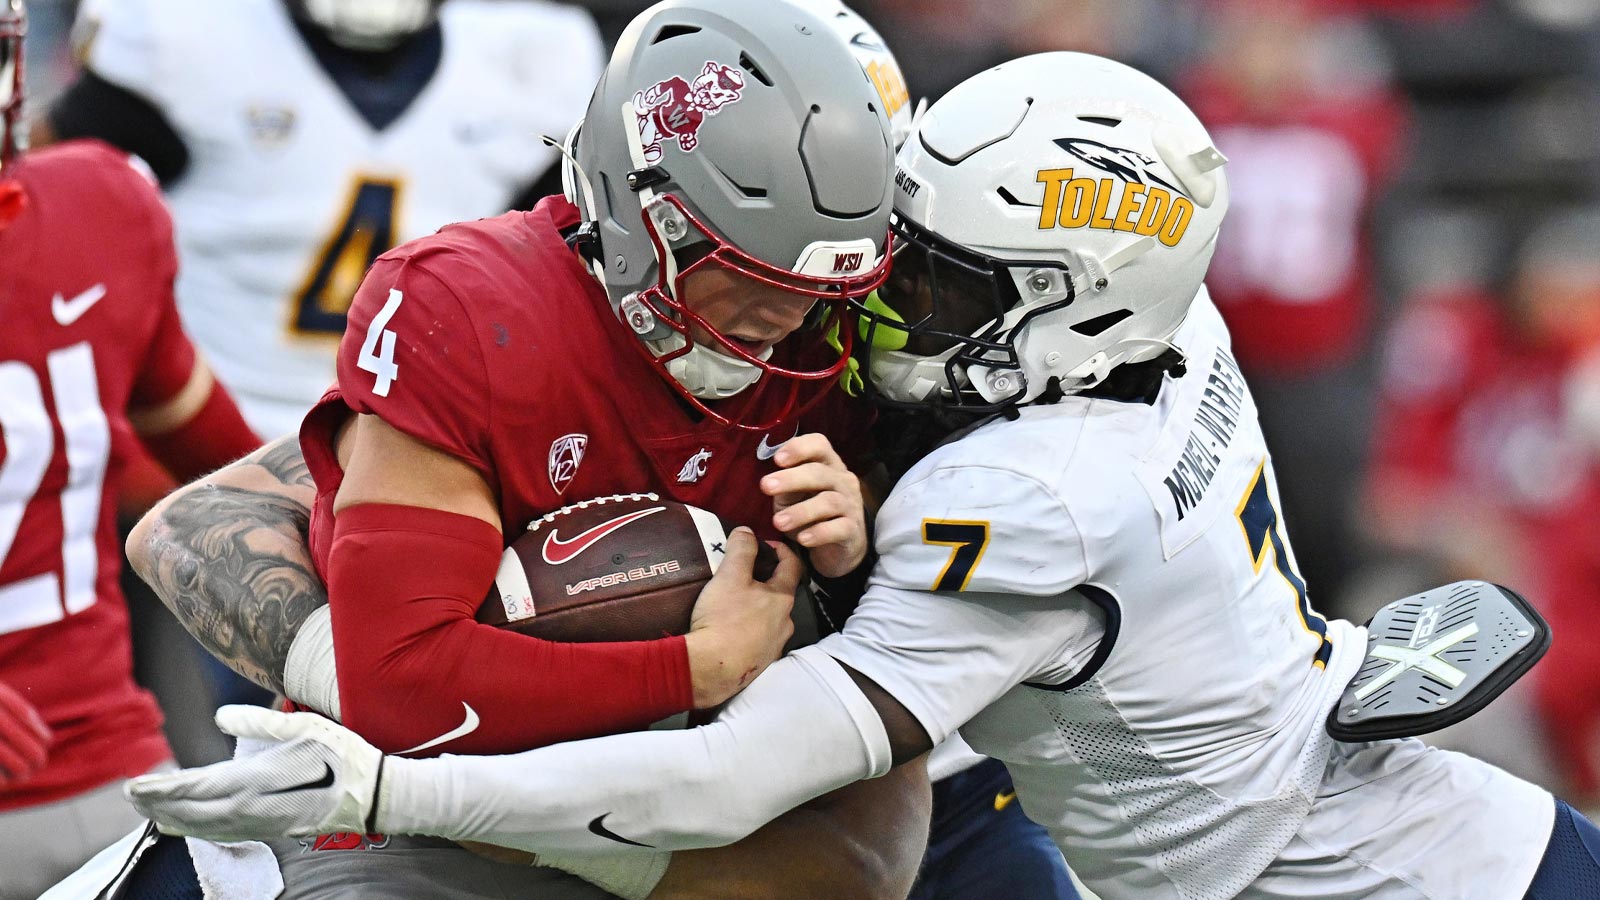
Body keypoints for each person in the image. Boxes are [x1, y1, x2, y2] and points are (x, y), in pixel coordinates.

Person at [127, 52, 1600, 900]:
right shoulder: (1167, 318)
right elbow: (201, 523)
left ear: (1066, 306)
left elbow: (724, 782)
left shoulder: (1021, 499)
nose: (879, 313)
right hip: (1421, 822)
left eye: (944, 286)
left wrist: (392, 783)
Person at [108, 2, 933, 898]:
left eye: (820, 284)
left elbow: (863, 861)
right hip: (408, 827)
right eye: (751, 271)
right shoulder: (477, 313)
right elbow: (231, 554)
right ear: (640, 210)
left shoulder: (861, 342)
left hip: (685, 825)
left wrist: (853, 572)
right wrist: (693, 667)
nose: (789, 317)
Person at [35, 0, 604, 440]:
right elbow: (43, 214)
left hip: (414, 443)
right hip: (189, 430)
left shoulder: (534, 57)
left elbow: (569, 285)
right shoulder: (185, 34)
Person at [0, 2, 262, 896]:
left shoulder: (97, 206)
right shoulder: (99, 202)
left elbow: (218, 454)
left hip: (105, 783)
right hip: (107, 795)